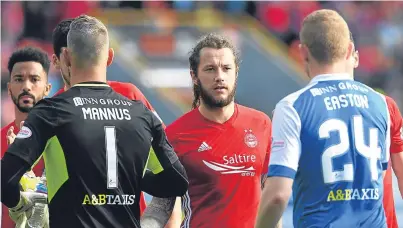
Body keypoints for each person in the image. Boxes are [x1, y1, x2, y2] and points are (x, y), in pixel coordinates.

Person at [1, 15, 188, 228]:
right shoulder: (141, 113)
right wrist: (135, 176)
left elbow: (5, 179)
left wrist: (19, 204)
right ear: (109, 56)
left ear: (66, 57)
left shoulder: (51, 112)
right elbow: (177, 181)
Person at [255, 9, 400, 228]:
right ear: (350, 50)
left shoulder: (292, 107)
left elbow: (277, 195)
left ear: (302, 52)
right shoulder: (383, 104)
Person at [165, 33, 273, 228]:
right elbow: (163, 207)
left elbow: (271, 198)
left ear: (236, 72)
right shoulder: (174, 136)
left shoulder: (262, 124)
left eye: (226, 68)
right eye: (210, 69)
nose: (220, 77)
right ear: (194, 76)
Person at [1, 47, 52, 228]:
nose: (26, 86)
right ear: (9, 88)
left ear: (47, 89)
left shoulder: (62, 141)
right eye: (19, 79)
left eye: (34, 79)